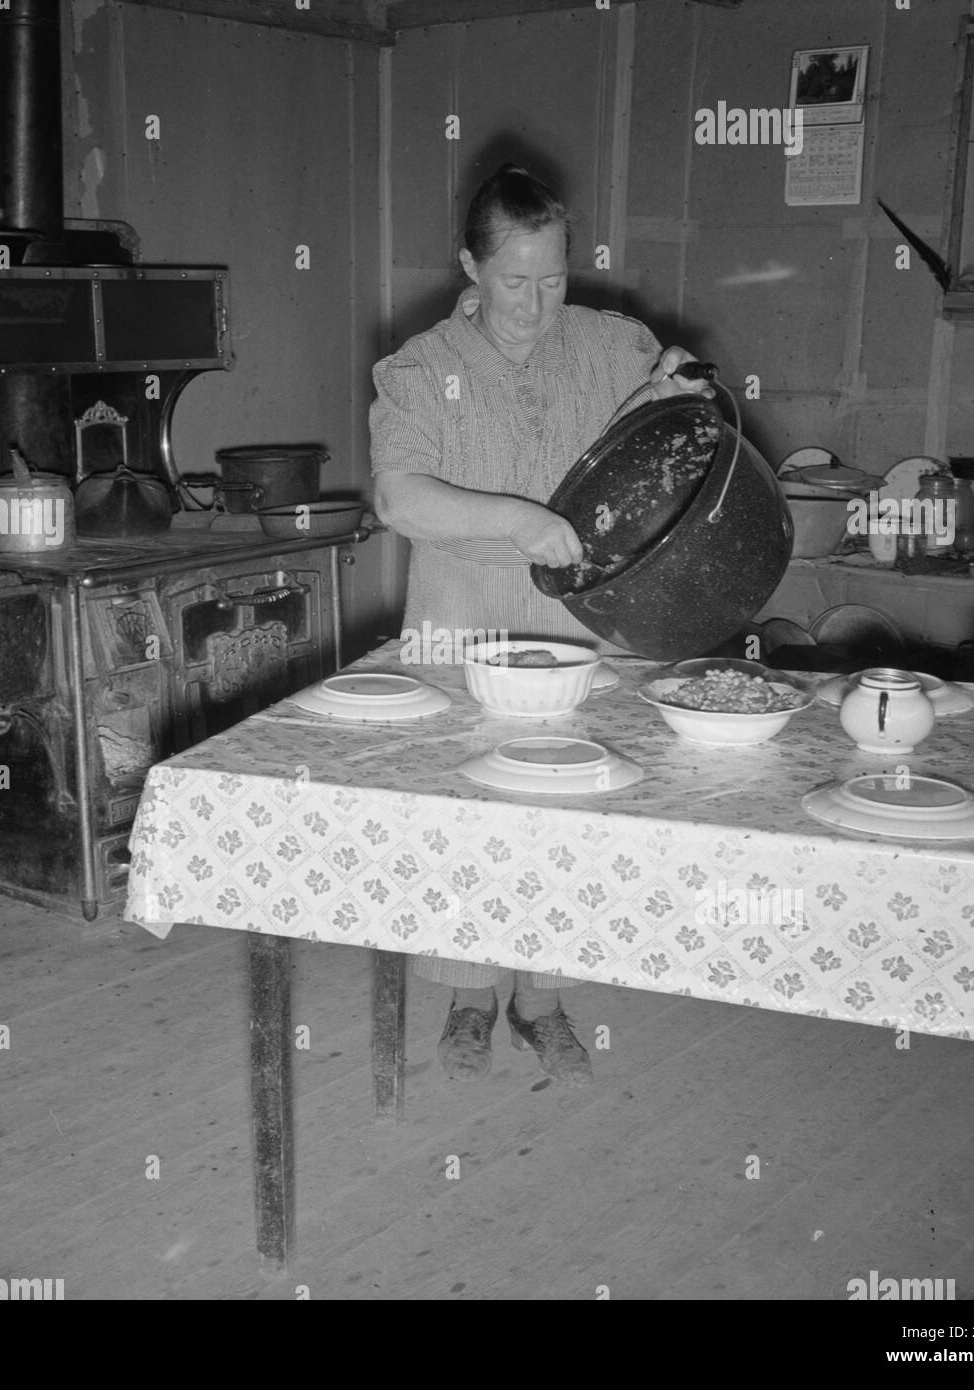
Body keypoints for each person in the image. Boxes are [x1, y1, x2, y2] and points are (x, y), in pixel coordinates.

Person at [369, 163, 711, 1087]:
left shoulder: (604, 344)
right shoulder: (421, 369)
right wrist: (518, 521)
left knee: (566, 804)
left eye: (553, 278)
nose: (535, 302)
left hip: (572, 617)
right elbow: (400, 496)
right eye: (514, 280)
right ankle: (469, 995)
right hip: (462, 619)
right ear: (469, 268)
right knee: (466, 811)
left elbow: (658, 413)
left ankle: (543, 996)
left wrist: (675, 388)